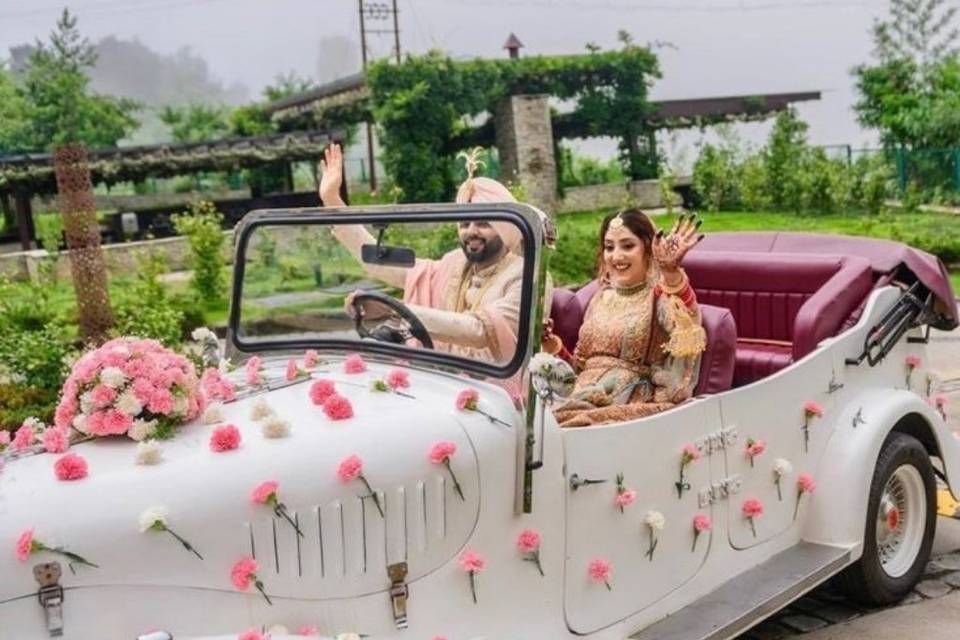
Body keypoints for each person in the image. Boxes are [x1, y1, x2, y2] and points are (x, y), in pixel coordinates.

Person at [317, 144, 527, 368]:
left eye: (484, 223)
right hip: (447, 379)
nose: (471, 231)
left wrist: (396, 309)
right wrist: (332, 201)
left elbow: (480, 331)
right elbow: (379, 261)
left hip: (501, 390)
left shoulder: (526, 273)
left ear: (505, 227)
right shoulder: (455, 264)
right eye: (465, 223)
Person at [551, 209, 706, 428]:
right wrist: (551, 346)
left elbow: (687, 330)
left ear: (649, 250)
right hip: (581, 395)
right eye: (609, 247)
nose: (616, 256)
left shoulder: (657, 297)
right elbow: (581, 368)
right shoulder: (600, 298)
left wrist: (672, 274)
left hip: (628, 403)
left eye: (627, 246)